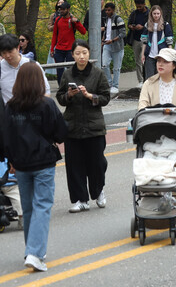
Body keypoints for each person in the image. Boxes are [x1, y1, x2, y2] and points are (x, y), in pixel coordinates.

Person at [0, 63, 68, 272]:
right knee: (42, 206)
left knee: (29, 208)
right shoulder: (46, 104)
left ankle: (32, 249)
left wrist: (10, 160)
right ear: (39, 80)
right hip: (43, 162)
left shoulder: (10, 106)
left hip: (20, 163)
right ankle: (35, 253)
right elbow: (61, 133)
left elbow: (5, 137)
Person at [55, 41, 110, 213]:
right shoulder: (67, 74)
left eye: (84, 53)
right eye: (78, 53)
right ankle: (81, 199)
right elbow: (60, 97)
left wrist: (89, 95)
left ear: (89, 54)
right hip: (73, 127)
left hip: (94, 127)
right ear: (72, 55)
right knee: (74, 166)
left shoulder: (98, 73)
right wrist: (69, 95)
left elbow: (105, 98)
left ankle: (98, 191)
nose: (81, 56)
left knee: (97, 163)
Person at [137, 47, 176, 115]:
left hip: (175, 122)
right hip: (152, 121)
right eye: (159, 61)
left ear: (174, 65)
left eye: (165, 61)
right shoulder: (148, 83)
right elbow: (142, 105)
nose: (160, 64)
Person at [1, 33, 49, 104]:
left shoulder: (33, 65)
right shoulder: (1, 68)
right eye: (4, 53)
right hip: (8, 112)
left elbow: (46, 91)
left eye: (10, 52)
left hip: (31, 110)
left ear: (18, 48)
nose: (7, 56)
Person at [49, 1, 87, 84]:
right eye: (60, 9)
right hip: (59, 49)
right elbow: (54, 35)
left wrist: (77, 22)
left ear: (68, 9)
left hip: (70, 49)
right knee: (59, 70)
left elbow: (83, 31)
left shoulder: (73, 20)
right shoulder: (58, 20)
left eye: (63, 9)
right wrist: (52, 49)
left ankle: (72, 86)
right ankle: (61, 87)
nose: (61, 11)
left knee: (71, 69)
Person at [140, 5, 174, 80]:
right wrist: (143, 54)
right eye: (154, 13)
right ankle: (150, 91)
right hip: (150, 54)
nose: (156, 15)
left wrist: (170, 53)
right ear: (151, 14)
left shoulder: (165, 25)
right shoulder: (147, 24)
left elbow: (169, 41)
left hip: (162, 54)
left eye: (158, 13)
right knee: (150, 77)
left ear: (160, 14)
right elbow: (144, 41)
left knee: (161, 76)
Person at [100, 2, 126, 96]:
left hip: (117, 46)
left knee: (116, 68)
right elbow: (106, 31)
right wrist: (103, 41)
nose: (107, 12)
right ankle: (109, 83)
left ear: (113, 10)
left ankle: (115, 86)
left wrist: (113, 40)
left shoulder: (118, 19)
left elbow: (123, 33)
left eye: (109, 10)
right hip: (107, 45)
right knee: (104, 64)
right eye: (106, 10)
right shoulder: (106, 19)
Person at [126, 0, 149, 83]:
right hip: (136, 39)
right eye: (137, 7)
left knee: (146, 60)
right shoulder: (134, 13)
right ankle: (140, 80)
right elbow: (129, 24)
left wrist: (143, 27)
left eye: (140, 6)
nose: (138, 8)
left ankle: (147, 78)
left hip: (146, 40)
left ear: (144, 4)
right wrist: (132, 26)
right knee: (138, 61)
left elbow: (151, 25)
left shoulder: (149, 13)